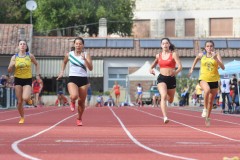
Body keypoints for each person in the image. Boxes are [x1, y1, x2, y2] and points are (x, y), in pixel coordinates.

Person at [57, 37, 93, 126]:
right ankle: (72, 101)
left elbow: (91, 68)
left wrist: (85, 60)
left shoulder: (86, 54)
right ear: (74, 45)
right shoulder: (69, 54)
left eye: (80, 44)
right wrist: (62, 72)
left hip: (83, 79)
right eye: (76, 44)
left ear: (83, 45)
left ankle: (79, 118)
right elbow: (64, 62)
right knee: (74, 95)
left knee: (81, 102)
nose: (78, 45)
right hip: (72, 78)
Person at [188, 40, 225, 126]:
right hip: (203, 78)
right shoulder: (202, 55)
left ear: (213, 47)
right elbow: (196, 59)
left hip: (214, 80)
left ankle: (208, 117)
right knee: (207, 90)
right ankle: (204, 109)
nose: (209, 48)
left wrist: (216, 59)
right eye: (207, 46)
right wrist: (192, 69)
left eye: (211, 46)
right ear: (205, 47)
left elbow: (222, 67)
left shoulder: (217, 55)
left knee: (211, 101)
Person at [149, 38, 182, 124]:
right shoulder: (158, 56)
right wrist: (150, 69)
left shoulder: (173, 54)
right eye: (163, 43)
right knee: (163, 96)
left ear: (169, 44)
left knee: (170, 100)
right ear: (161, 45)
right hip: (162, 78)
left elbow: (180, 66)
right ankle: (165, 117)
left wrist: (176, 72)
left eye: (166, 43)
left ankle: (165, 99)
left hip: (171, 78)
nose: (165, 45)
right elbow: (151, 66)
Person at [8, 40, 40, 124]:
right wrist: (11, 65)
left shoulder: (30, 56)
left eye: (24, 44)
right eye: (21, 44)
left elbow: (36, 64)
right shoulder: (14, 57)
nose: (22, 45)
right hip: (18, 79)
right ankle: (22, 117)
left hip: (27, 79)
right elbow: (9, 70)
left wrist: (37, 75)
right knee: (19, 102)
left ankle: (29, 99)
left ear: (26, 46)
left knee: (25, 97)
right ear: (18, 46)